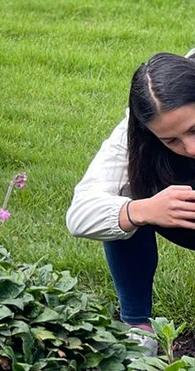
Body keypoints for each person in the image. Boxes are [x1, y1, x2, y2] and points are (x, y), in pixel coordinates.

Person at [67, 51, 195, 354]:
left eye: (194, 129)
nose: (190, 148)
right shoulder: (135, 133)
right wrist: (142, 210)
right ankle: (137, 327)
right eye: (170, 140)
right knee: (124, 201)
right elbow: (80, 213)